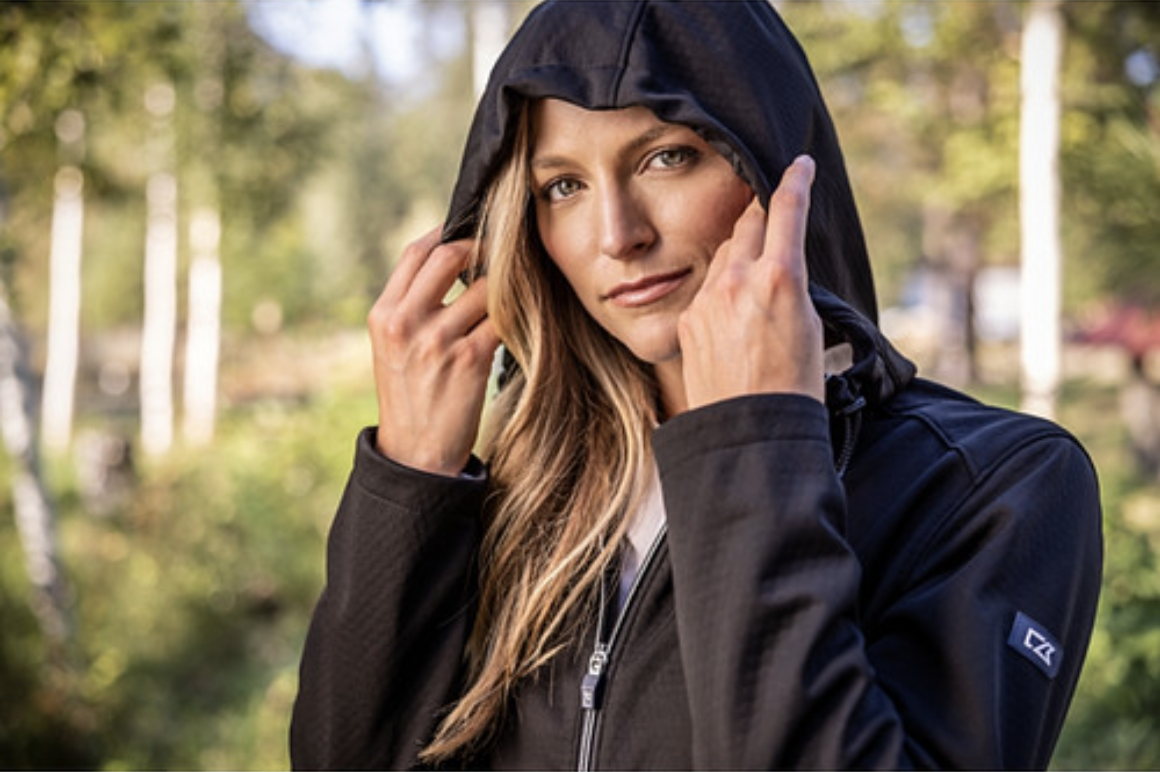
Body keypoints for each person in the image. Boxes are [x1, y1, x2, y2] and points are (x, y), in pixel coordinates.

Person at [290, 1, 1103, 769]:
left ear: (777, 172)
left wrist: (755, 443)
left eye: (667, 157)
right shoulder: (524, 485)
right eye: (562, 186)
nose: (617, 235)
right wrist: (412, 480)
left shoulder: (995, 485)